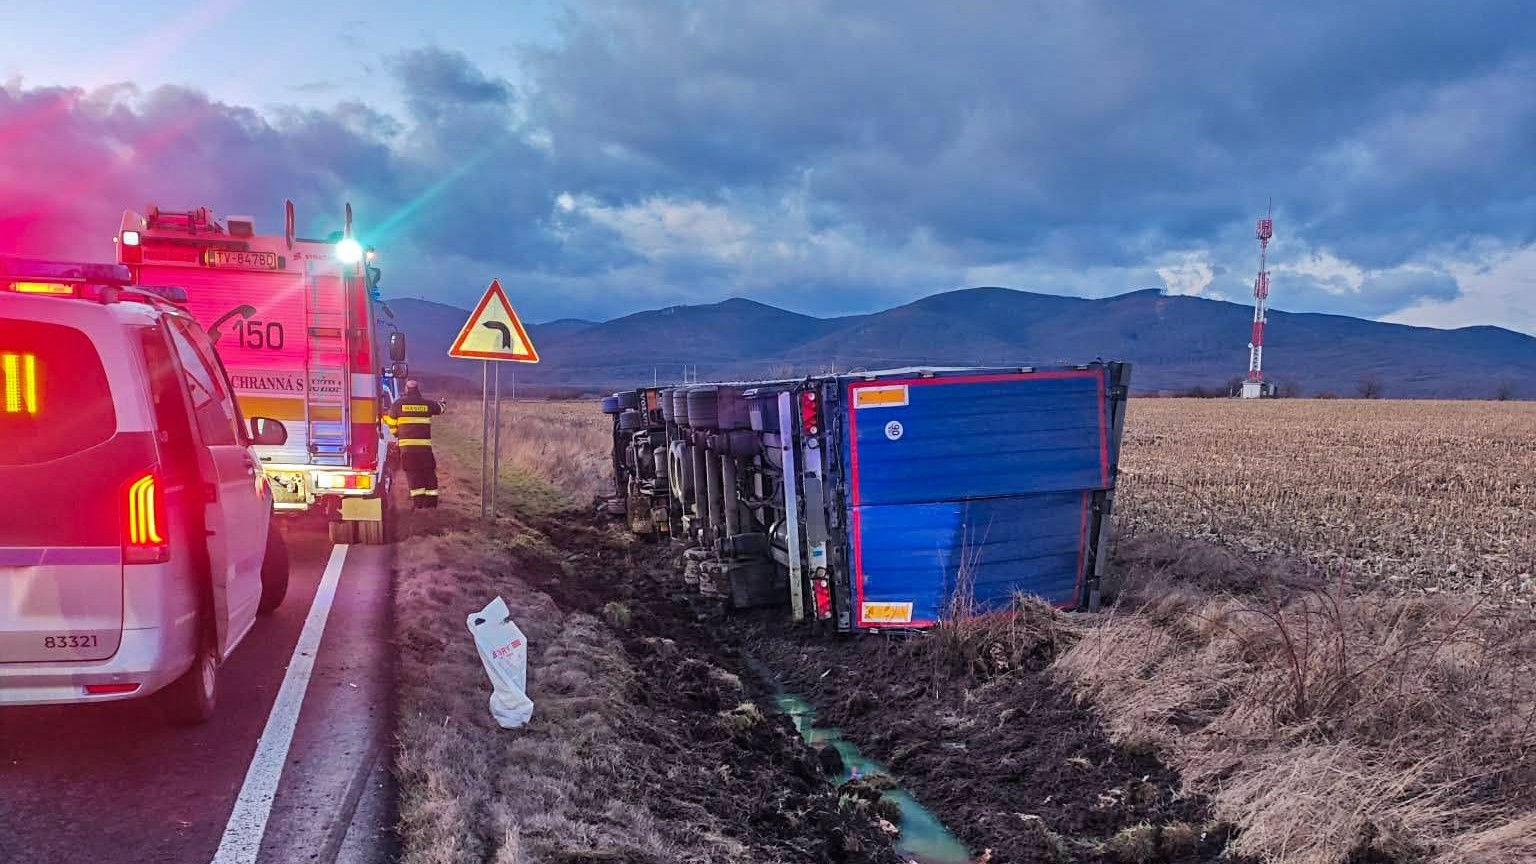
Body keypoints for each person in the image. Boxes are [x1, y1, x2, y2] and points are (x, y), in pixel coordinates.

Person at [388, 379, 446, 508]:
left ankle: (419, 504)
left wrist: (397, 434)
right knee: (428, 473)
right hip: (424, 448)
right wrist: (443, 402)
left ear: (406, 389)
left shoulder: (397, 404)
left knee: (413, 474)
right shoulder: (427, 404)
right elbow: (441, 409)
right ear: (417, 389)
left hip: (407, 449)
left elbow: (391, 423)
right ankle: (431, 503)